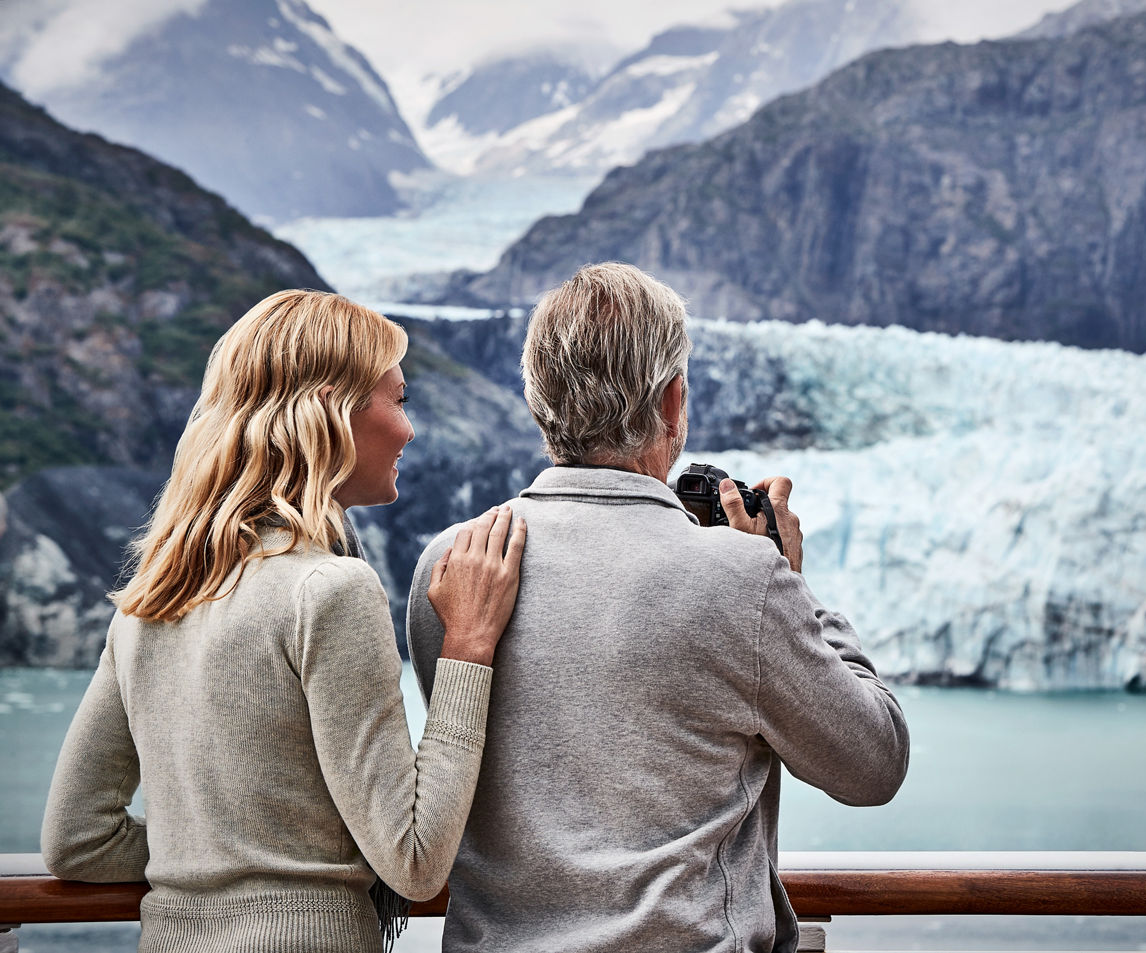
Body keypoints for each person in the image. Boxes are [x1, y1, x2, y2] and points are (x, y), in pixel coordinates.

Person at [407, 262, 910, 953]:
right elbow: (873, 762)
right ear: (673, 403)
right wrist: (790, 585)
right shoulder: (740, 578)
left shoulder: (452, 565)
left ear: (538, 400)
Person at [41, 289, 526, 953]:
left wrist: (219, 850)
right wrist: (468, 647)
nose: (409, 429)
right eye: (399, 399)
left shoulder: (152, 601)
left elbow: (77, 839)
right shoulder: (329, 589)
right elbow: (414, 860)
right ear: (332, 408)